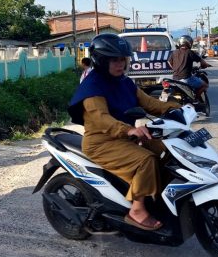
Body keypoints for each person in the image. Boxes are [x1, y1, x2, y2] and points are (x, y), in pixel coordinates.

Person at [68, 33, 181, 231]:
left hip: (124, 137)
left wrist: (175, 108)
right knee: (147, 160)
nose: (120, 64)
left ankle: (157, 199)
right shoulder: (92, 88)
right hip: (101, 143)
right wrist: (129, 130)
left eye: (122, 59)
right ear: (101, 61)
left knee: (166, 150)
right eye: (114, 60)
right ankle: (136, 210)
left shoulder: (124, 82)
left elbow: (149, 103)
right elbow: (102, 119)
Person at [167, 35, 210, 100]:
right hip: (186, 79)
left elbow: (169, 62)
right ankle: (196, 100)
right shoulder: (190, 52)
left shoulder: (174, 52)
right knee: (205, 85)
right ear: (190, 43)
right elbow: (202, 62)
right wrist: (206, 65)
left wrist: (175, 68)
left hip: (174, 79)